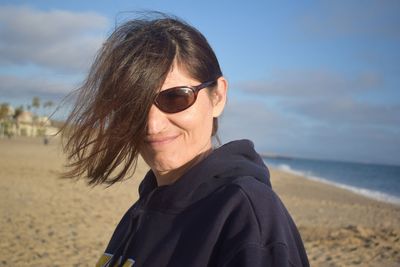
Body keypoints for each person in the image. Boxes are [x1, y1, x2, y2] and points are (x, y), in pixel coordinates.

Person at [62, 13, 309, 267]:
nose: (152, 125)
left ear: (218, 97)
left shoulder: (247, 217)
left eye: (175, 98)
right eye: (133, 105)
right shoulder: (143, 210)